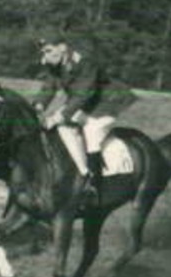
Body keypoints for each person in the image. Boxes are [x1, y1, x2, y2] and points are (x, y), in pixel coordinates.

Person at [32, 36, 135, 205]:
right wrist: (38, 106)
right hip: (85, 102)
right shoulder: (54, 64)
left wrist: (58, 116)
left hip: (106, 102)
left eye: (49, 50)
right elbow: (48, 87)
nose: (45, 55)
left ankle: (91, 183)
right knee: (61, 128)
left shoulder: (85, 61)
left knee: (91, 133)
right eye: (43, 51)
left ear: (63, 47)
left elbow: (83, 94)